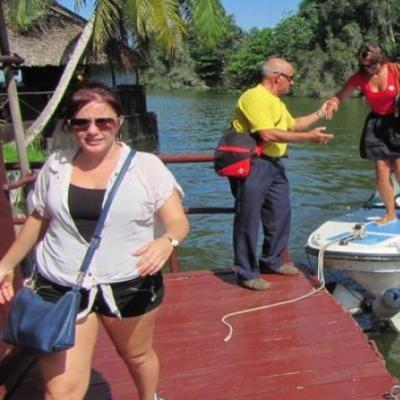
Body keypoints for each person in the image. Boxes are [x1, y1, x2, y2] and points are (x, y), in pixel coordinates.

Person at [0, 81, 189, 400]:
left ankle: (149, 396)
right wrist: (6, 264)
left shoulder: (146, 167)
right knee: (61, 391)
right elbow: (37, 219)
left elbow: (177, 221)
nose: (93, 130)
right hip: (61, 283)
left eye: (104, 121)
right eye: (82, 123)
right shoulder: (56, 166)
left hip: (129, 281)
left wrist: (166, 241)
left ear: (119, 123)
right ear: (71, 126)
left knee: (136, 355)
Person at [230, 58, 334, 291]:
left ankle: (272, 260)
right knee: (248, 217)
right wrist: (310, 139)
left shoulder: (275, 101)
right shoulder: (254, 97)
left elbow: (292, 125)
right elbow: (267, 134)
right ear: (278, 77)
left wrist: (321, 112)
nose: (292, 82)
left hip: (274, 164)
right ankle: (246, 271)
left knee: (280, 212)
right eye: (290, 77)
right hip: (253, 163)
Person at [324, 43, 400, 225]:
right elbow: (341, 96)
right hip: (377, 123)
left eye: (372, 65)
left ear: (380, 60)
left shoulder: (394, 68)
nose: (369, 69)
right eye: (365, 65)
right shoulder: (360, 77)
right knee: (381, 170)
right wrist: (333, 103)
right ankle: (390, 212)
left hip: (398, 121)